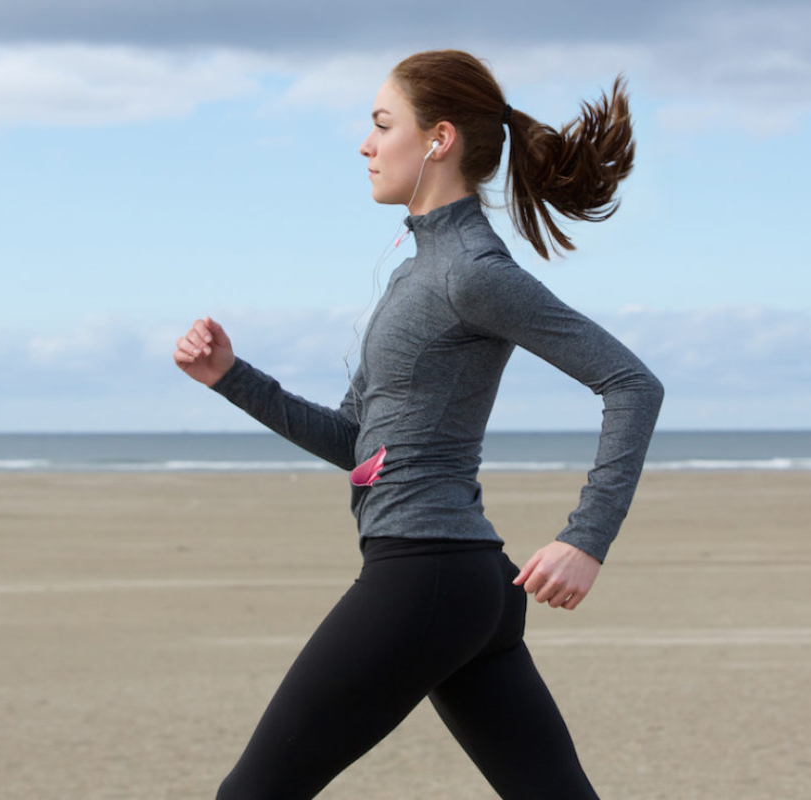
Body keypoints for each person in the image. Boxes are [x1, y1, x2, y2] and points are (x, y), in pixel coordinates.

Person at [174, 49, 664, 800]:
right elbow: (356, 446)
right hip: (462, 583)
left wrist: (584, 538)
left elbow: (632, 383)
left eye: (381, 124)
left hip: (427, 575)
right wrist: (231, 378)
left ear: (437, 139)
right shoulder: (416, 272)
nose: (365, 145)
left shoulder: (471, 270)